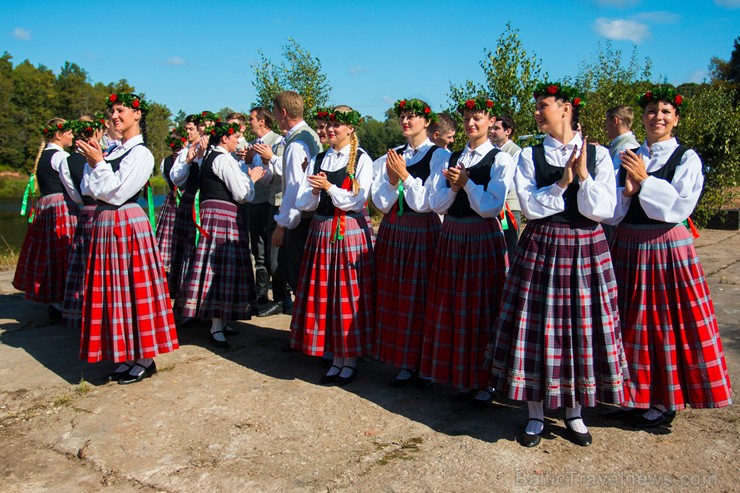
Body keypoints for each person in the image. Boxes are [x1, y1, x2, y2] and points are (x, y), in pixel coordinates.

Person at [484, 82, 627, 447]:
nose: (537, 111)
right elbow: (531, 208)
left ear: (565, 109)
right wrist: (563, 183)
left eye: (543, 105)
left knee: (580, 331)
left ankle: (574, 411)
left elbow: (605, 211)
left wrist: (582, 176)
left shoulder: (596, 155)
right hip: (543, 245)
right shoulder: (529, 156)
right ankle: (534, 412)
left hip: (587, 248)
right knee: (537, 329)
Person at [606, 86, 731, 427]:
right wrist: (629, 192)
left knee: (663, 324)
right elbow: (613, 211)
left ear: (675, 119)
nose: (657, 118)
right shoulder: (628, 155)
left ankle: (665, 400)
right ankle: (634, 395)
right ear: (642, 117)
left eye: (664, 112)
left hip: (665, 247)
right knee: (629, 323)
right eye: (651, 111)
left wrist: (645, 181)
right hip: (629, 244)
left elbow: (678, 206)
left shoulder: (686, 158)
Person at [76, 93, 178, 384]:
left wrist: (99, 165)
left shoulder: (141, 154)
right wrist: (96, 161)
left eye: (121, 110)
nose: (115, 116)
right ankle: (126, 354)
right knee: (114, 290)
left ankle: (145, 358)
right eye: (112, 112)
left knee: (133, 289)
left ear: (137, 115)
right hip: (107, 223)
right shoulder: (111, 152)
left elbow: (118, 193)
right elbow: (90, 189)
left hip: (126, 222)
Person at [421, 97, 514, 407]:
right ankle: (461, 376)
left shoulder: (500, 159)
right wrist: (454, 188)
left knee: (482, 307)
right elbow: (437, 204)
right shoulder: (452, 158)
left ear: (489, 122)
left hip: (481, 236)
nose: (471, 124)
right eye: (467, 119)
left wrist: (467, 184)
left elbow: (491, 207)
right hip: (452, 234)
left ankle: (486, 381)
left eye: (478, 118)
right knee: (454, 306)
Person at [290, 106, 375, 385]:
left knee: (346, 293)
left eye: (335, 125)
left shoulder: (361, 159)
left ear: (350, 128)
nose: (329, 130)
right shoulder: (318, 158)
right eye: (326, 125)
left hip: (348, 230)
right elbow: (302, 202)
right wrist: (315, 190)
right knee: (325, 291)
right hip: (321, 228)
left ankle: (348, 358)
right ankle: (332, 354)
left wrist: (328, 188)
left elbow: (356, 201)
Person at [371, 98, 446, 388]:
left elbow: (427, 203)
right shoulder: (392, 155)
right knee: (395, 293)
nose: (406, 121)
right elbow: (381, 203)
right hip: (394, 229)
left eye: (413, 116)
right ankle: (403, 360)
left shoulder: (439, 156)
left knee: (421, 295)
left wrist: (405, 176)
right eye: (403, 115)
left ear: (426, 122)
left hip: (422, 229)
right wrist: (391, 181)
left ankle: (423, 361)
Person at [176, 122, 265, 349]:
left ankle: (221, 321)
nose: (238, 140)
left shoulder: (208, 157)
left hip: (213, 214)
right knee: (221, 269)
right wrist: (252, 179)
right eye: (234, 136)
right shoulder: (223, 158)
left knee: (220, 268)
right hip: (222, 216)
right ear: (224, 139)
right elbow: (242, 193)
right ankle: (216, 326)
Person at [13, 118, 78, 320]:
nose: (72, 136)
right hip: (60, 206)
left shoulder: (43, 156)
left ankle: (54, 299)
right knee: (64, 250)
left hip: (45, 205)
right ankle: (62, 301)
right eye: (69, 132)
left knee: (49, 252)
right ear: (58, 135)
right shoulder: (60, 157)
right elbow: (71, 186)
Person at [269, 91, 322, 295]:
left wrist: (282, 225)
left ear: (283, 112)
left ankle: (303, 322)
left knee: (293, 270)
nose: (274, 117)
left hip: (302, 219)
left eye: (274, 112)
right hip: (310, 214)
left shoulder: (296, 144)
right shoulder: (310, 134)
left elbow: (294, 187)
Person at [62, 114, 106, 329]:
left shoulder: (68, 159)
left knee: (88, 267)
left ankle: (88, 313)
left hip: (88, 211)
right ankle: (93, 313)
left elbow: (75, 194)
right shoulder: (103, 156)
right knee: (94, 268)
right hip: (98, 212)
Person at [240, 108, 284, 316]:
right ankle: (261, 294)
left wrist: (267, 160)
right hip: (256, 201)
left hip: (274, 202)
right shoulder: (251, 145)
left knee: (274, 252)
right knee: (258, 250)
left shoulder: (278, 140)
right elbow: (249, 176)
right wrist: (248, 161)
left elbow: (277, 176)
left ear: (262, 121)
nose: (249, 122)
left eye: (251, 119)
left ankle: (281, 298)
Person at [168, 114, 206, 299]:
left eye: (191, 129)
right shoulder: (185, 152)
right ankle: (183, 292)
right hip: (189, 200)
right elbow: (176, 178)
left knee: (197, 248)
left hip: (202, 202)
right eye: (187, 129)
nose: (188, 132)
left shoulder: (208, 149)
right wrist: (188, 160)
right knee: (185, 247)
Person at [155, 126, 188, 272]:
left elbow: (166, 177)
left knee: (169, 233)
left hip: (171, 199)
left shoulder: (165, 161)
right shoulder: (185, 158)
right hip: (181, 198)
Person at [490, 114, 523, 257]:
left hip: (508, 208)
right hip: (494, 207)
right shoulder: (492, 151)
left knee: (510, 244)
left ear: (508, 131)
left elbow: (510, 182)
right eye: (491, 128)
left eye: (496, 128)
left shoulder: (515, 152)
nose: (492, 131)